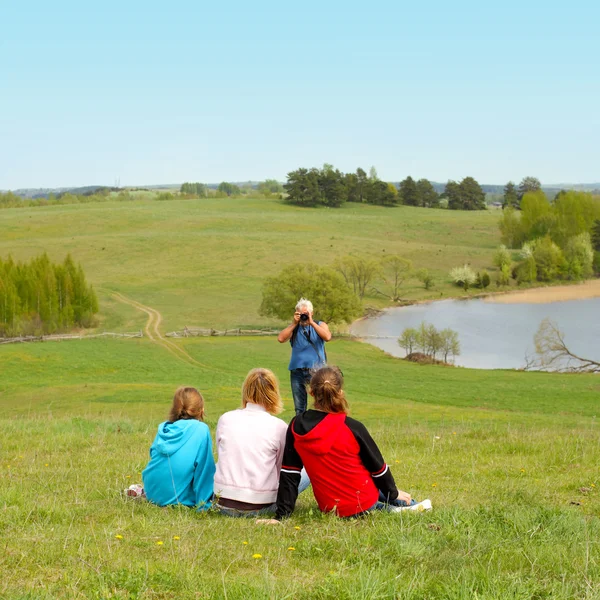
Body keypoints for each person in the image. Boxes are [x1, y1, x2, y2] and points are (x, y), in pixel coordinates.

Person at [261, 366, 431, 522]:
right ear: (340, 393)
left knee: (383, 494)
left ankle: (395, 504)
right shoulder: (353, 427)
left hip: (330, 508)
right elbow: (379, 470)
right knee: (395, 498)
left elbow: (290, 473)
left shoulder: (296, 426)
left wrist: (281, 516)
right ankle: (398, 507)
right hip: (362, 501)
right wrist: (393, 493)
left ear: (310, 392)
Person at [213, 368, 310, 517]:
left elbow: (222, 456)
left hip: (221, 503)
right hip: (262, 506)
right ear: (273, 393)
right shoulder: (279, 427)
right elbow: (281, 470)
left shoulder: (226, 419)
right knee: (305, 471)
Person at [142, 386, 215, 509]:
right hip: (176, 498)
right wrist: (204, 505)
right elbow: (204, 470)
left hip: (152, 492)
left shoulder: (164, 429)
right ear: (201, 410)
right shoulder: (201, 429)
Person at [277, 297, 332, 415]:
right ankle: (300, 430)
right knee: (299, 408)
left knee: (322, 405)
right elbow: (281, 338)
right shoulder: (294, 328)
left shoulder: (320, 324)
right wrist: (293, 323)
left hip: (317, 371)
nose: (304, 317)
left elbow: (327, 337)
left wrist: (311, 322)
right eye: (301, 314)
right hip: (297, 372)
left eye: (306, 314)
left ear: (311, 313)